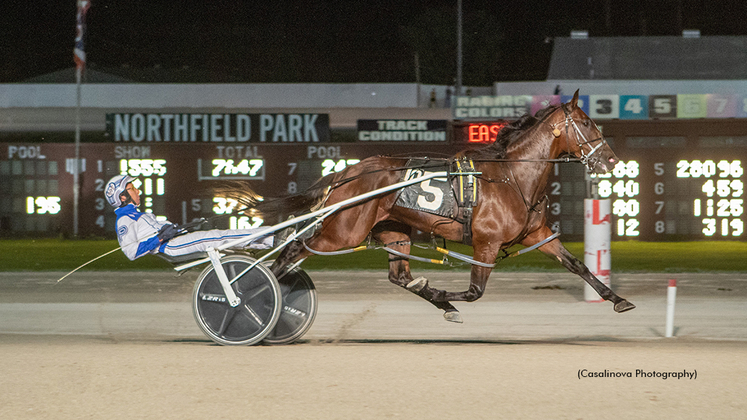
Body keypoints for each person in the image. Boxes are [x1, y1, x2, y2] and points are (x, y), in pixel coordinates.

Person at [105, 174, 273, 261]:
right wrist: (160, 238)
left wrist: (174, 229)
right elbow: (131, 252)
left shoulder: (138, 215)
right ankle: (271, 237)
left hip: (175, 241)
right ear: (123, 197)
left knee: (218, 236)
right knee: (215, 236)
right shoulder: (124, 220)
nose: (138, 191)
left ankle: (268, 239)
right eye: (133, 188)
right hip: (170, 247)